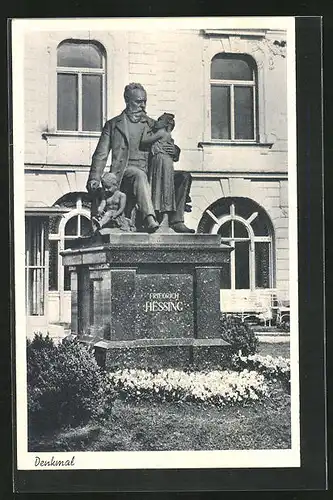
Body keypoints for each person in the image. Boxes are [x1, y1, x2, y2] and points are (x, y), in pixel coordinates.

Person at [86, 82, 194, 233]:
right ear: (127, 101)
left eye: (144, 101)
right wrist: (94, 178)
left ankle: (176, 220)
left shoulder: (151, 124)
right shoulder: (113, 125)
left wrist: (174, 151)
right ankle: (149, 218)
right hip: (124, 175)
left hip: (151, 173)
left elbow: (166, 141)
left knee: (183, 177)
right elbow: (101, 154)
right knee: (139, 175)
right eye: (138, 102)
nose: (142, 105)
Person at [141, 112, 177, 229]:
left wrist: (145, 130)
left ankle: (162, 217)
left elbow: (145, 140)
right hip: (164, 162)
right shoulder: (168, 135)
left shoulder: (161, 132)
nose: (157, 122)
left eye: (160, 120)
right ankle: (163, 218)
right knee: (164, 188)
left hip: (160, 162)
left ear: (166, 123)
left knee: (160, 188)